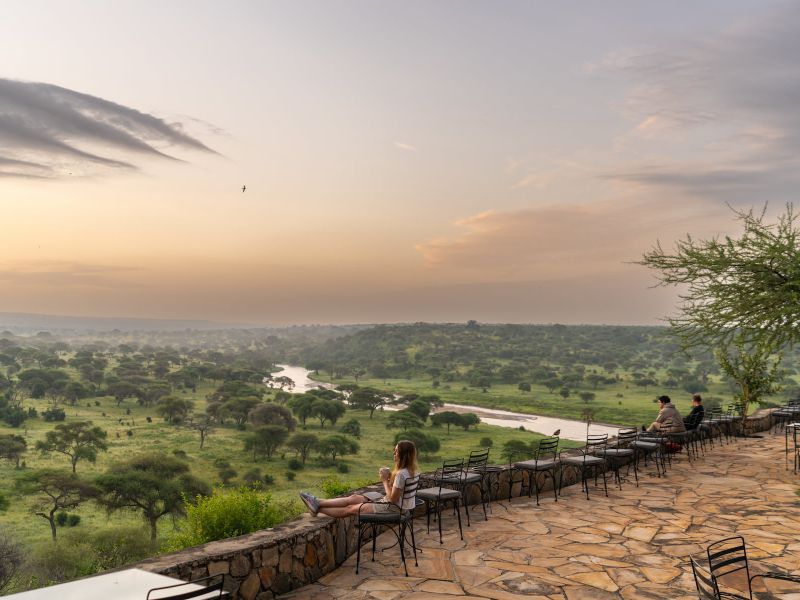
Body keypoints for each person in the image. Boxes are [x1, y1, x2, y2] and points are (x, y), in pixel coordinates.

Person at [299, 440, 418, 517]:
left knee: (350, 509)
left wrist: (384, 481)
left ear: (403, 455)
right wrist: (390, 477)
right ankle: (317, 501)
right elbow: (399, 491)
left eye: (396, 451)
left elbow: (392, 499)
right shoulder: (413, 471)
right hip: (397, 506)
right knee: (354, 497)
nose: (394, 453)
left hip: (393, 508)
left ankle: (317, 507)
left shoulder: (401, 474)